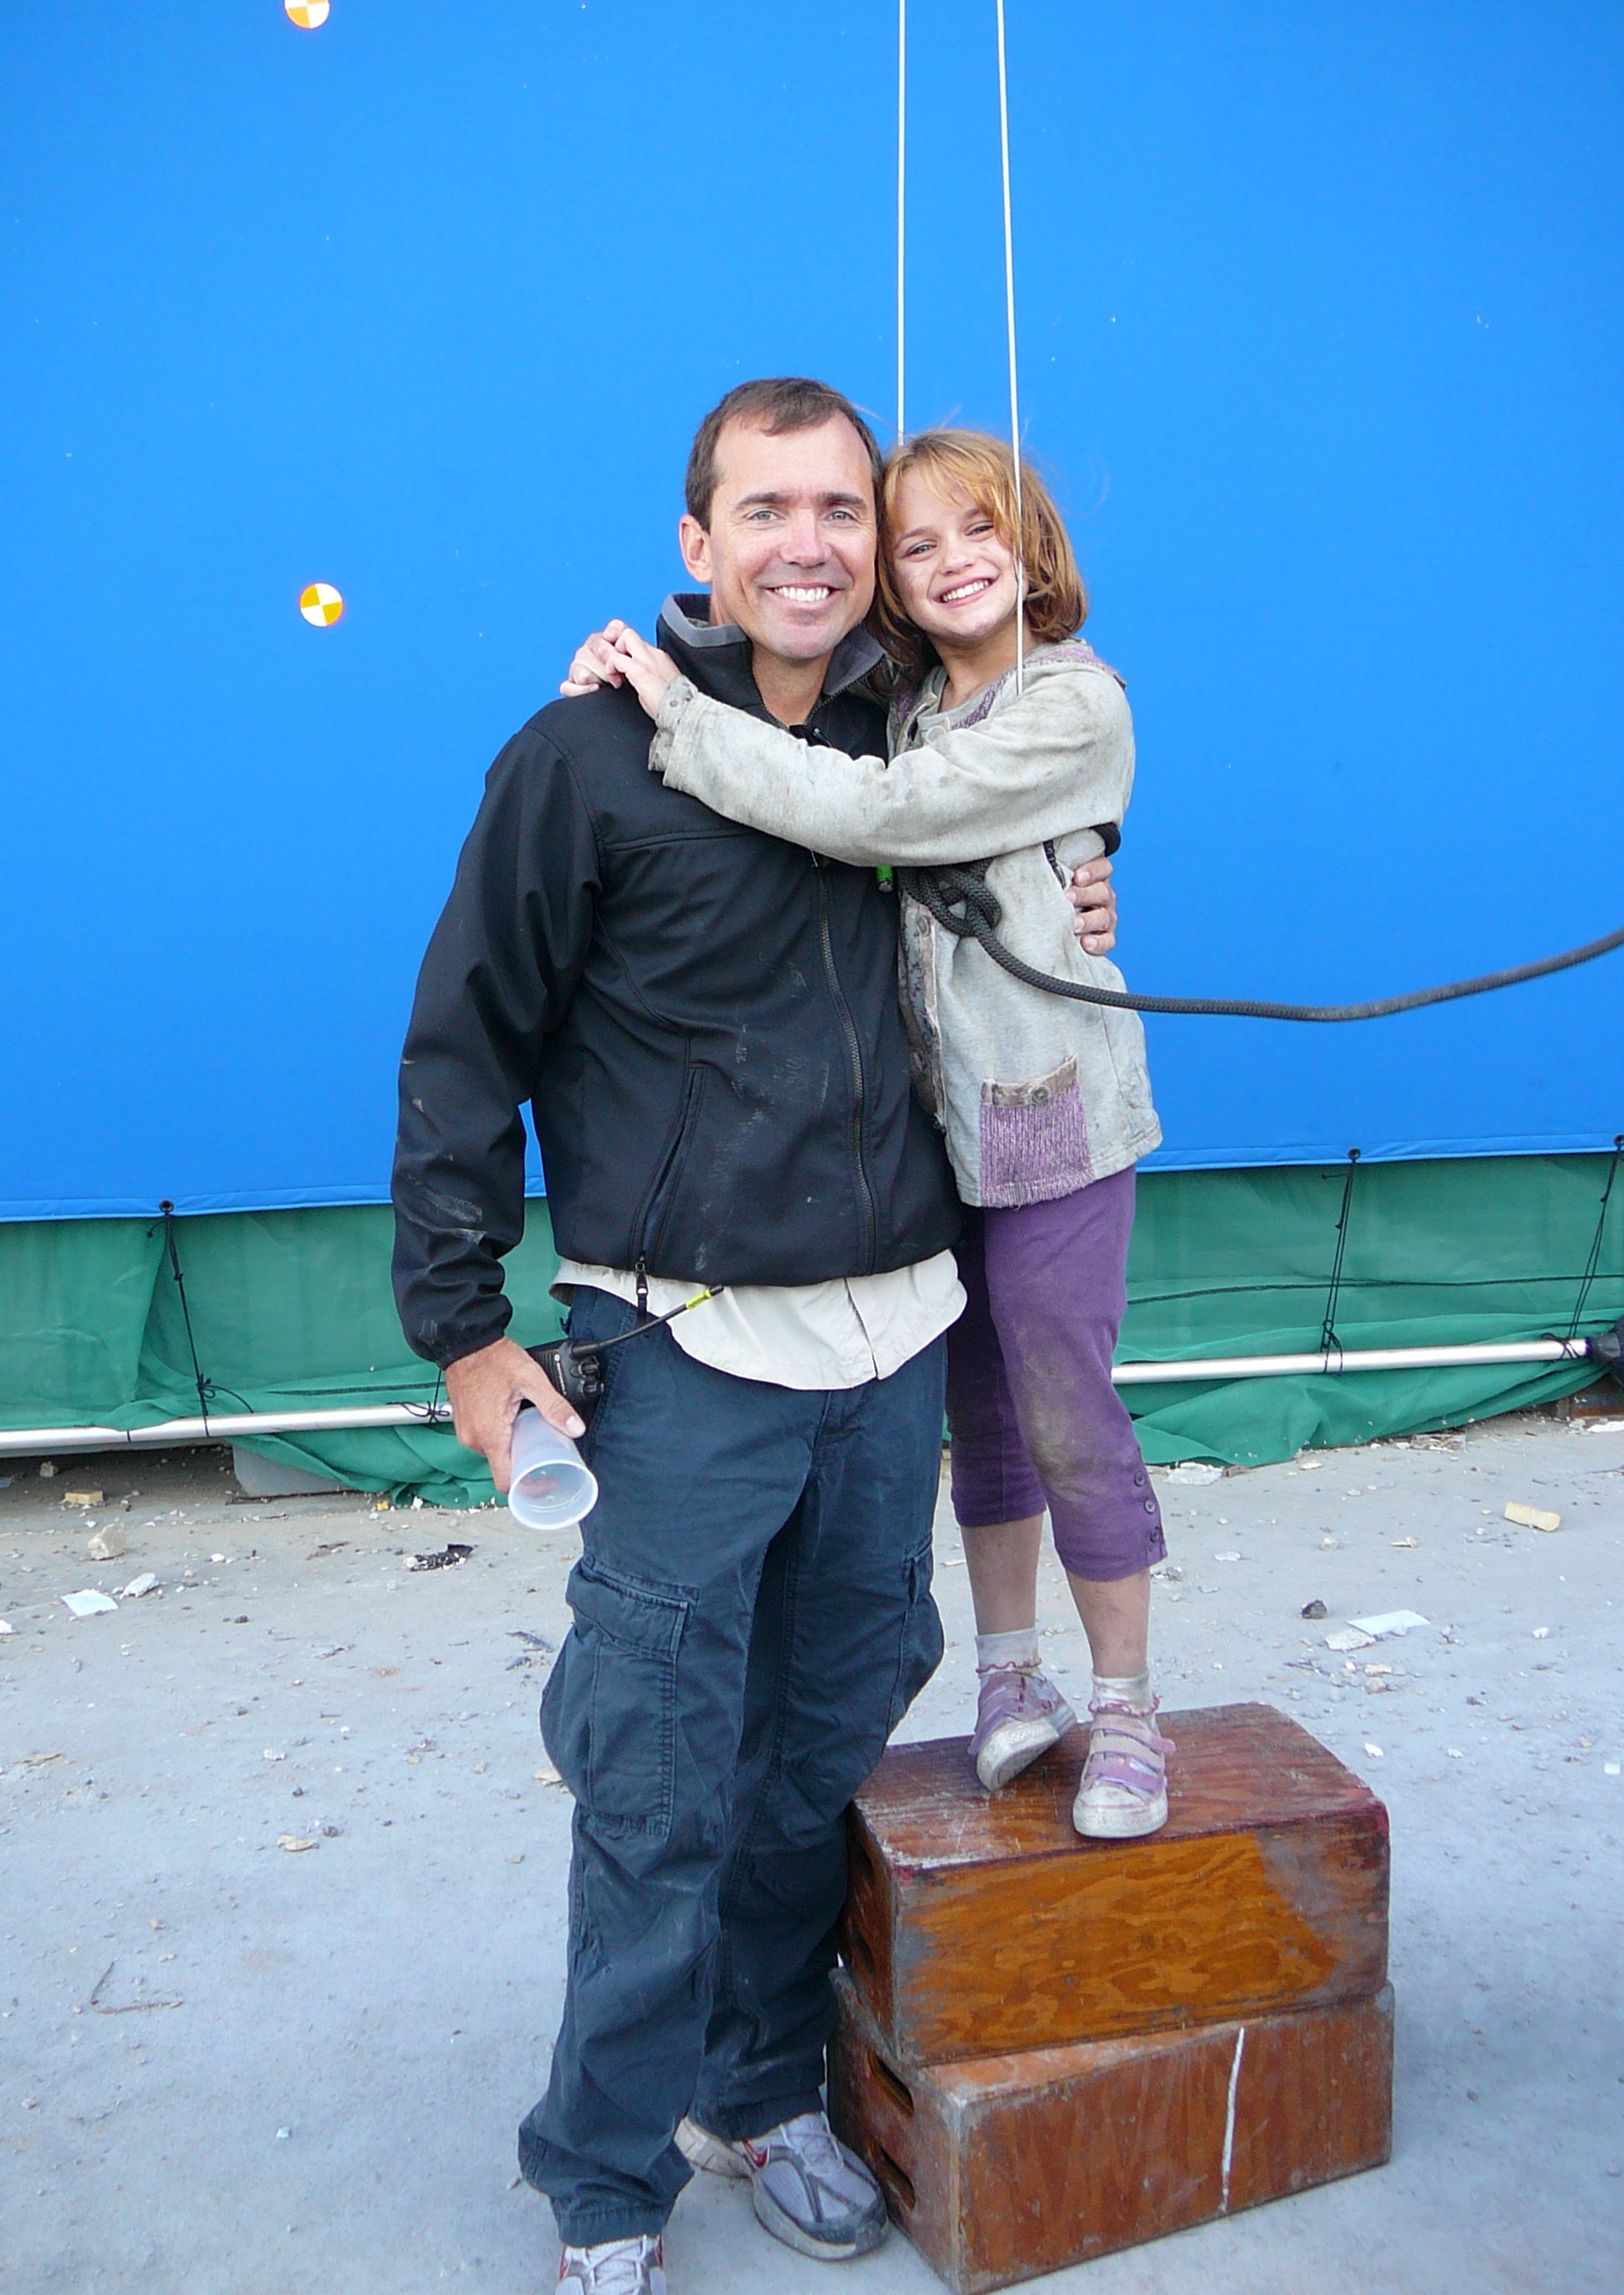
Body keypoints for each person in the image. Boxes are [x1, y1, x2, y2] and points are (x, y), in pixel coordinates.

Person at [390, 381, 1115, 2295]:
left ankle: (758, 2079)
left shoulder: (919, 736)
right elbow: (464, 1046)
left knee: (822, 1730)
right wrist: (467, 1334)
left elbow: (1046, 804)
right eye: (765, 506)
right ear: (696, 544)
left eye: (843, 510)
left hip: (896, 1331)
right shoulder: (585, 755)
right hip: (688, 1343)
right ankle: (607, 2177)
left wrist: (1084, 863)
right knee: (654, 1761)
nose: (813, 539)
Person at [566, 427, 1173, 1848]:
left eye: (983, 531)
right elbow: (790, 669)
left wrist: (675, 718)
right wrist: (630, 663)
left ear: (1035, 549)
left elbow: (882, 817)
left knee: (1065, 1403)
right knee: (982, 1411)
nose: (955, 561)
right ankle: (1011, 1675)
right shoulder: (899, 697)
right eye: (918, 545)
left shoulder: (1073, 704)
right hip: (937, 1126)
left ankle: (1131, 1704)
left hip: (1053, 1124)